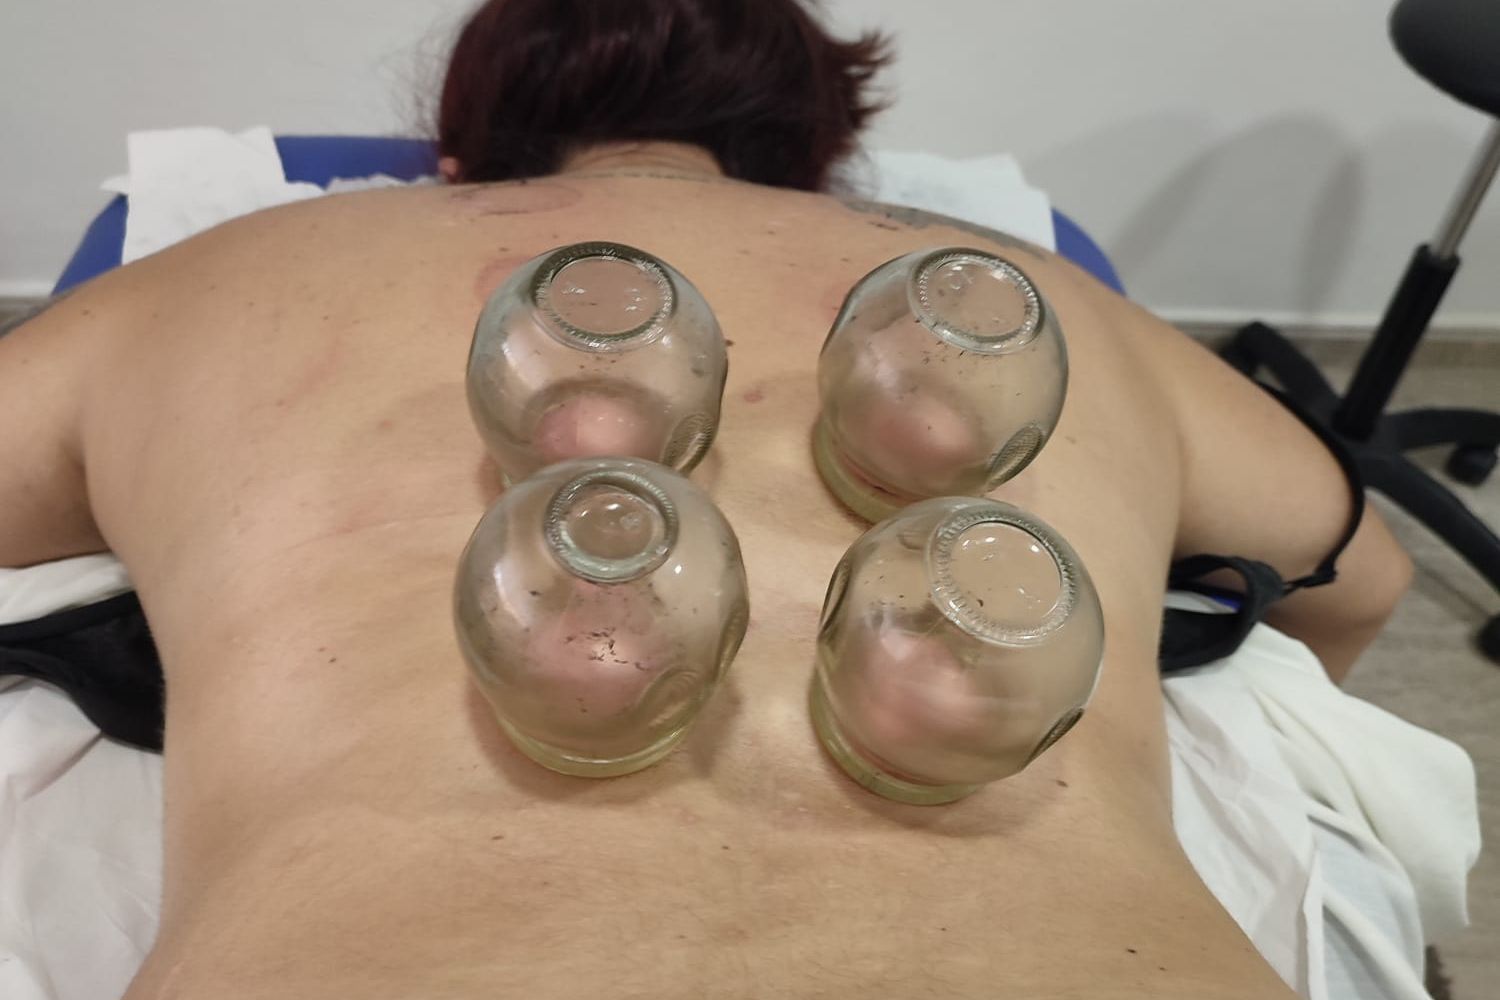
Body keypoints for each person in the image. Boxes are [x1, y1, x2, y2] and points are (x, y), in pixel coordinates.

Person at [0, 0, 1414, 996]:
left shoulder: (245, 268)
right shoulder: (1045, 301)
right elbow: (1365, 578)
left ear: (459, 158)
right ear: (815, 159)